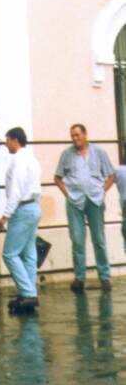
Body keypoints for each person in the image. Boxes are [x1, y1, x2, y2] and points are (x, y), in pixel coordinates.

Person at [54, 123, 115, 292]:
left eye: (77, 135)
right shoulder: (66, 154)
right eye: (72, 135)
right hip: (75, 202)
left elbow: (111, 175)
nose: (75, 138)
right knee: (78, 240)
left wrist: (102, 191)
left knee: (99, 239)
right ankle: (79, 277)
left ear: (85, 134)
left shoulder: (99, 152)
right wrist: (68, 194)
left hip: (95, 200)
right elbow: (57, 177)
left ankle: (104, 276)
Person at [0, 127, 42, 314]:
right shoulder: (31, 159)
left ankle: (28, 292)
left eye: (7, 140)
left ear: (15, 140)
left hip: (22, 209)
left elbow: (15, 191)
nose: (6, 144)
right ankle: (28, 292)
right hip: (33, 207)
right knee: (28, 254)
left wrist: (6, 215)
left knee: (9, 254)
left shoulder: (17, 160)